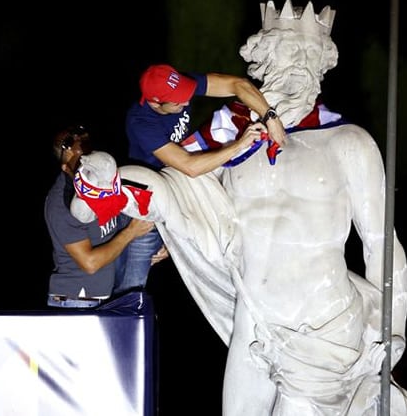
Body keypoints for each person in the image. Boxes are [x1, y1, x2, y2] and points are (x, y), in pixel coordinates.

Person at [208, 0, 407, 414]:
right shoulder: (232, 147)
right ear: (261, 59)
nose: (299, 66)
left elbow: (381, 245)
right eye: (288, 51)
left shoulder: (348, 143)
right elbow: (198, 209)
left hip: (321, 324)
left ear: (324, 65)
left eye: (309, 56)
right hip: (253, 316)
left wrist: (393, 332)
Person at [114, 62, 287, 295]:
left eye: (185, 95)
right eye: (177, 102)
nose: (186, 102)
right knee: (130, 289)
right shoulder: (141, 122)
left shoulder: (179, 88)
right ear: (156, 103)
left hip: (177, 184)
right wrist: (240, 144)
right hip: (146, 206)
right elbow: (190, 167)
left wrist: (270, 117)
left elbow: (238, 84)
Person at [44, 125, 156, 309]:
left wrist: (153, 247)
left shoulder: (106, 182)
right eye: (79, 163)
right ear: (65, 168)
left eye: (88, 160)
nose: (85, 168)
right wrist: (131, 233)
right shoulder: (60, 203)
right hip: (75, 300)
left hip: (106, 297)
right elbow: (90, 263)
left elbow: (129, 218)